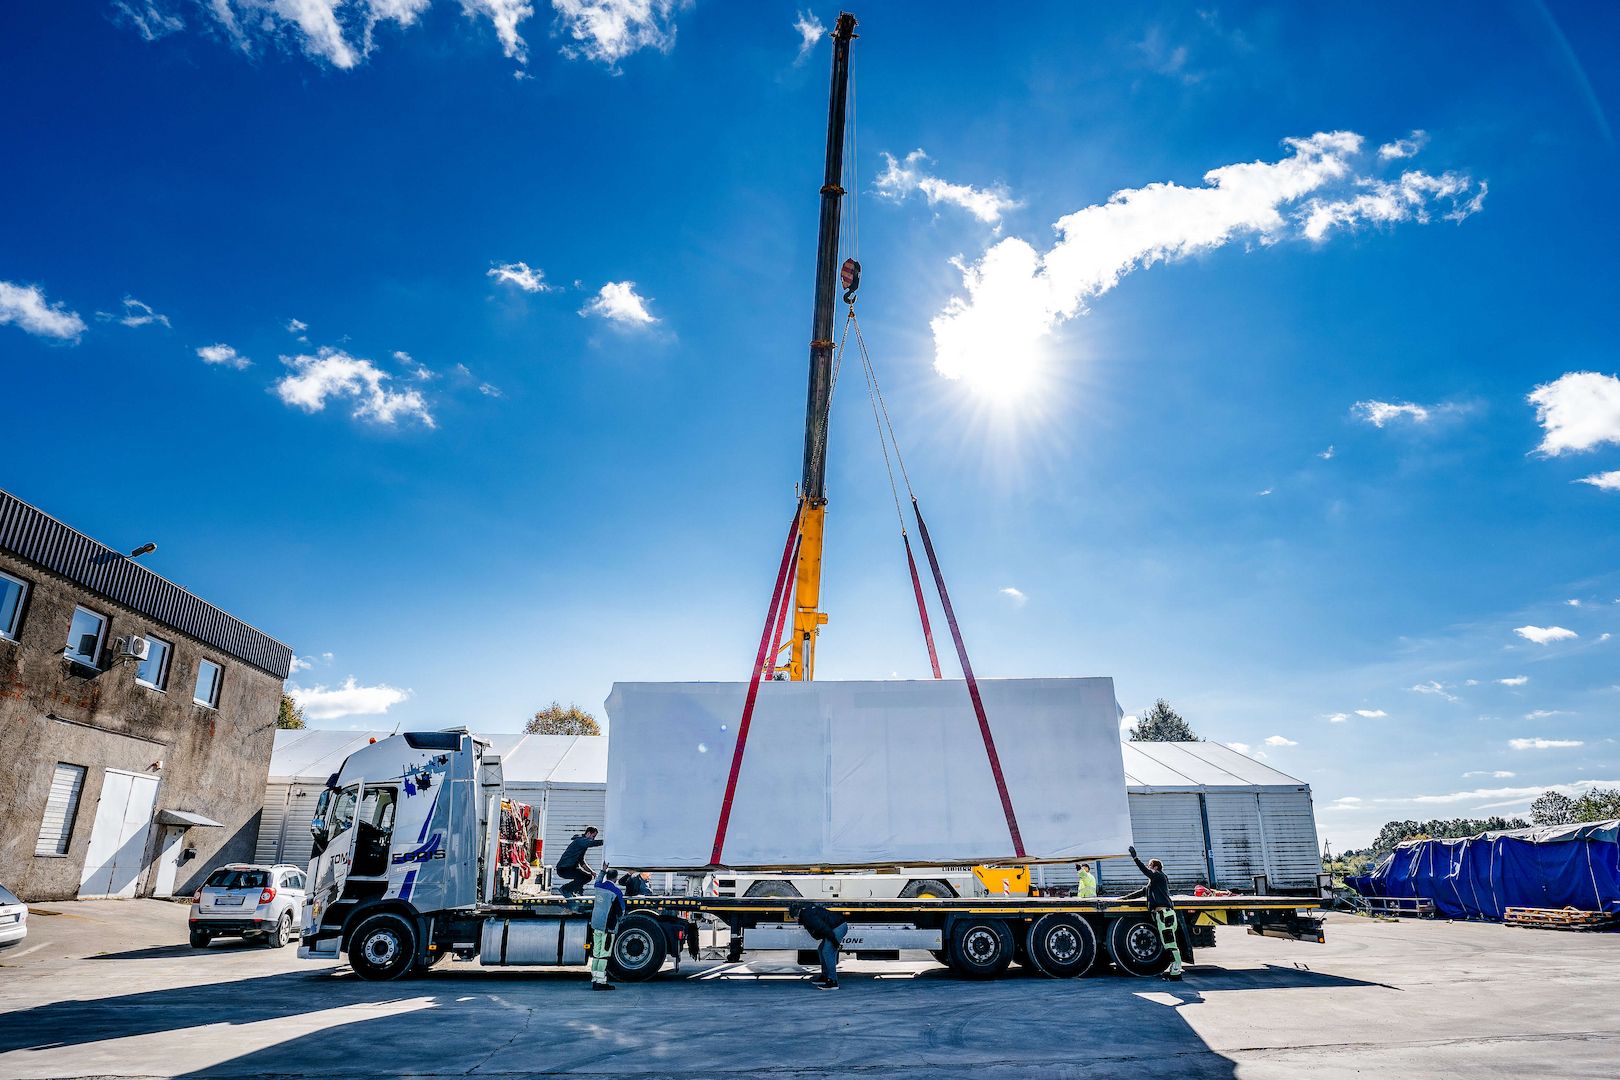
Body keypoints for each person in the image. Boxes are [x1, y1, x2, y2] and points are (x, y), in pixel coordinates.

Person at [1123, 845, 1183, 980]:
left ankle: (1176, 973)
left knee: (1170, 944)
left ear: (1155, 867)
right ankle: (1174, 971)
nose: (1148, 867)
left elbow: (1145, 871)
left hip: (1165, 915)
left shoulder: (1159, 876)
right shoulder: (1154, 882)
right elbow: (1141, 892)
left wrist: (1135, 858)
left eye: (1150, 865)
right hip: (1162, 915)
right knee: (1167, 943)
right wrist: (1123, 899)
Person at [792, 902, 848, 990]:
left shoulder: (808, 917)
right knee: (821, 949)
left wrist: (835, 943)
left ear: (796, 916)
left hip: (838, 927)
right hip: (834, 927)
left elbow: (824, 929)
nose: (794, 920)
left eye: (793, 918)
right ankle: (825, 976)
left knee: (827, 951)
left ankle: (833, 982)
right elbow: (818, 933)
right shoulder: (806, 915)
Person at [588, 868, 626, 991]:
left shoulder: (598, 886)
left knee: (596, 954)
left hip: (596, 925)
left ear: (607, 876)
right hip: (607, 928)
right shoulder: (616, 892)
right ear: (616, 878)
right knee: (604, 954)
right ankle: (600, 982)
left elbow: (598, 880)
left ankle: (595, 980)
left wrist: (603, 870)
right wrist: (620, 921)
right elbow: (621, 911)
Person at [555, 826, 603, 897]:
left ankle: (573, 891)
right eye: (593, 836)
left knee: (587, 876)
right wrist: (605, 841)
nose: (593, 839)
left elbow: (582, 862)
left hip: (569, 868)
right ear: (588, 833)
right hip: (564, 869)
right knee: (584, 877)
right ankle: (565, 889)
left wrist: (591, 871)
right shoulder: (580, 841)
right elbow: (591, 843)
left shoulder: (582, 845)